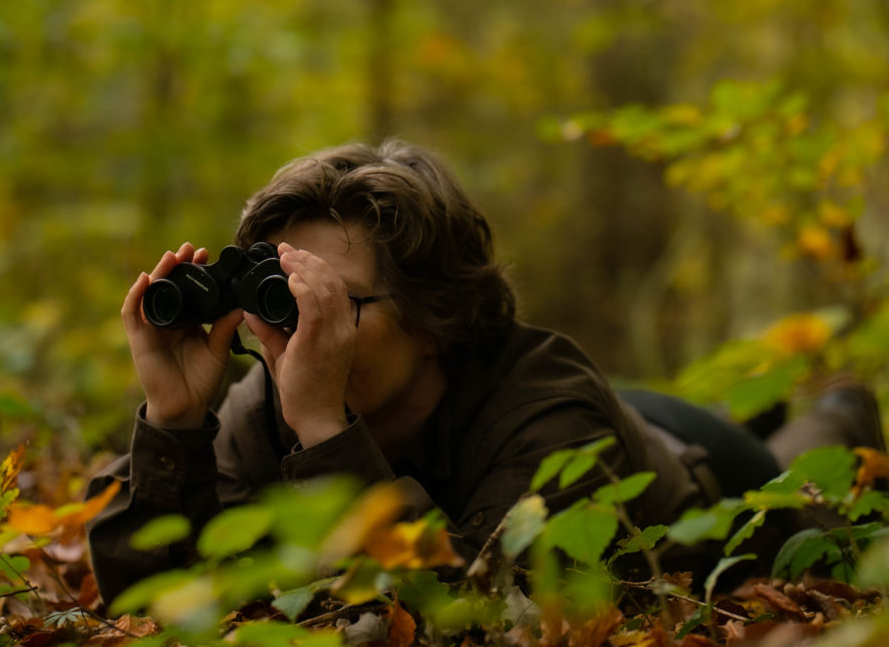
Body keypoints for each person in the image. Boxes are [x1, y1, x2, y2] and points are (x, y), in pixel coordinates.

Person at [86, 139, 885, 606]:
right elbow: (151, 600)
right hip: (598, 426)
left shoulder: (552, 408)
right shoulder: (264, 399)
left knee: (811, 471)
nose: (292, 333)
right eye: (281, 295)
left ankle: (843, 399)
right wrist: (176, 417)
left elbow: (477, 617)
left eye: (325, 300)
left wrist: (326, 431)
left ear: (435, 316)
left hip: (687, 463)